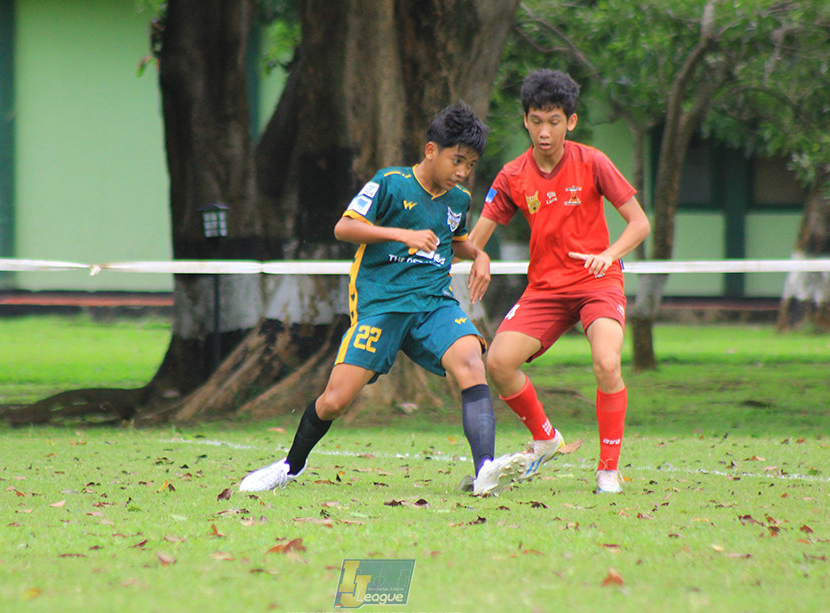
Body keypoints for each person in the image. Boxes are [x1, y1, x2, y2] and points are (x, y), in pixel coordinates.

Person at [240, 101, 526, 496]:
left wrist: (480, 255)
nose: (462, 172)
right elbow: (343, 228)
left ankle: (484, 474)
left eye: (471, 165)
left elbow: (455, 241)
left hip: (432, 303)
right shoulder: (390, 183)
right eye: (457, 160)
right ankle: (290, 466)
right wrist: (401, 234)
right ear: (431, 150)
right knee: (335, 401)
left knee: (471, 362)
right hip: (383, 305)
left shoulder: (457, 200)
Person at [469, 70, 651, 494]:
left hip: (597, 283)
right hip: (545, 291)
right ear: (525, 121)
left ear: (570, 121)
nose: (544, 131)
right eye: (536, 120)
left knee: (607, 363)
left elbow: (639, 224)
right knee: (497, 362)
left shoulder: (594, 162)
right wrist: (478, 255)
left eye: (554, 121)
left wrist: (608, 256)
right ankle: (546, 438)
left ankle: (608, 469)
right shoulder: (512, 175)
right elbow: (476, 239)